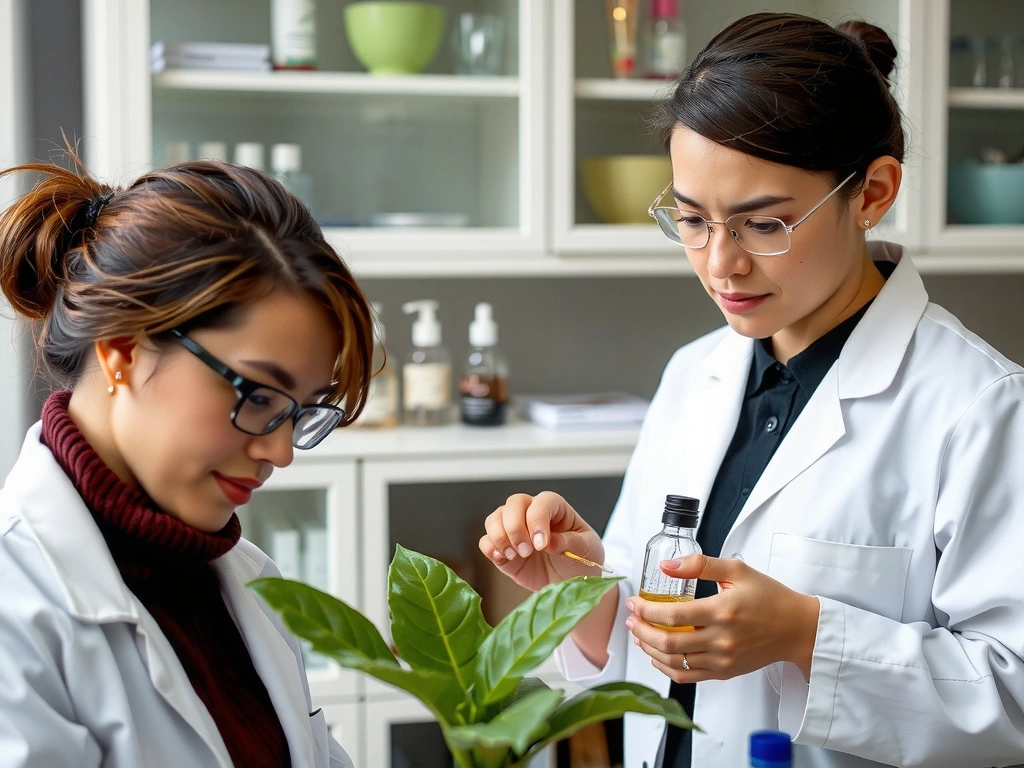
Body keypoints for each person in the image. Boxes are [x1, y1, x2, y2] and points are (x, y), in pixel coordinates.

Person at [479, 13, 1024, 768]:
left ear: (872, 193)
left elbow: (1013, 696)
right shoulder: (692, 372)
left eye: (763, 224)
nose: (719, 265)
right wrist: (582, 588)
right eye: (692, 220)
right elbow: (653, 623)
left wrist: (805, 635)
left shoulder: (981, 407)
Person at [0, 150, 373, 767]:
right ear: (123, 349)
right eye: (257, 395)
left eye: (300, 411)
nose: (279, 451)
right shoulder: (16, 607)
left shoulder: (248, 583)